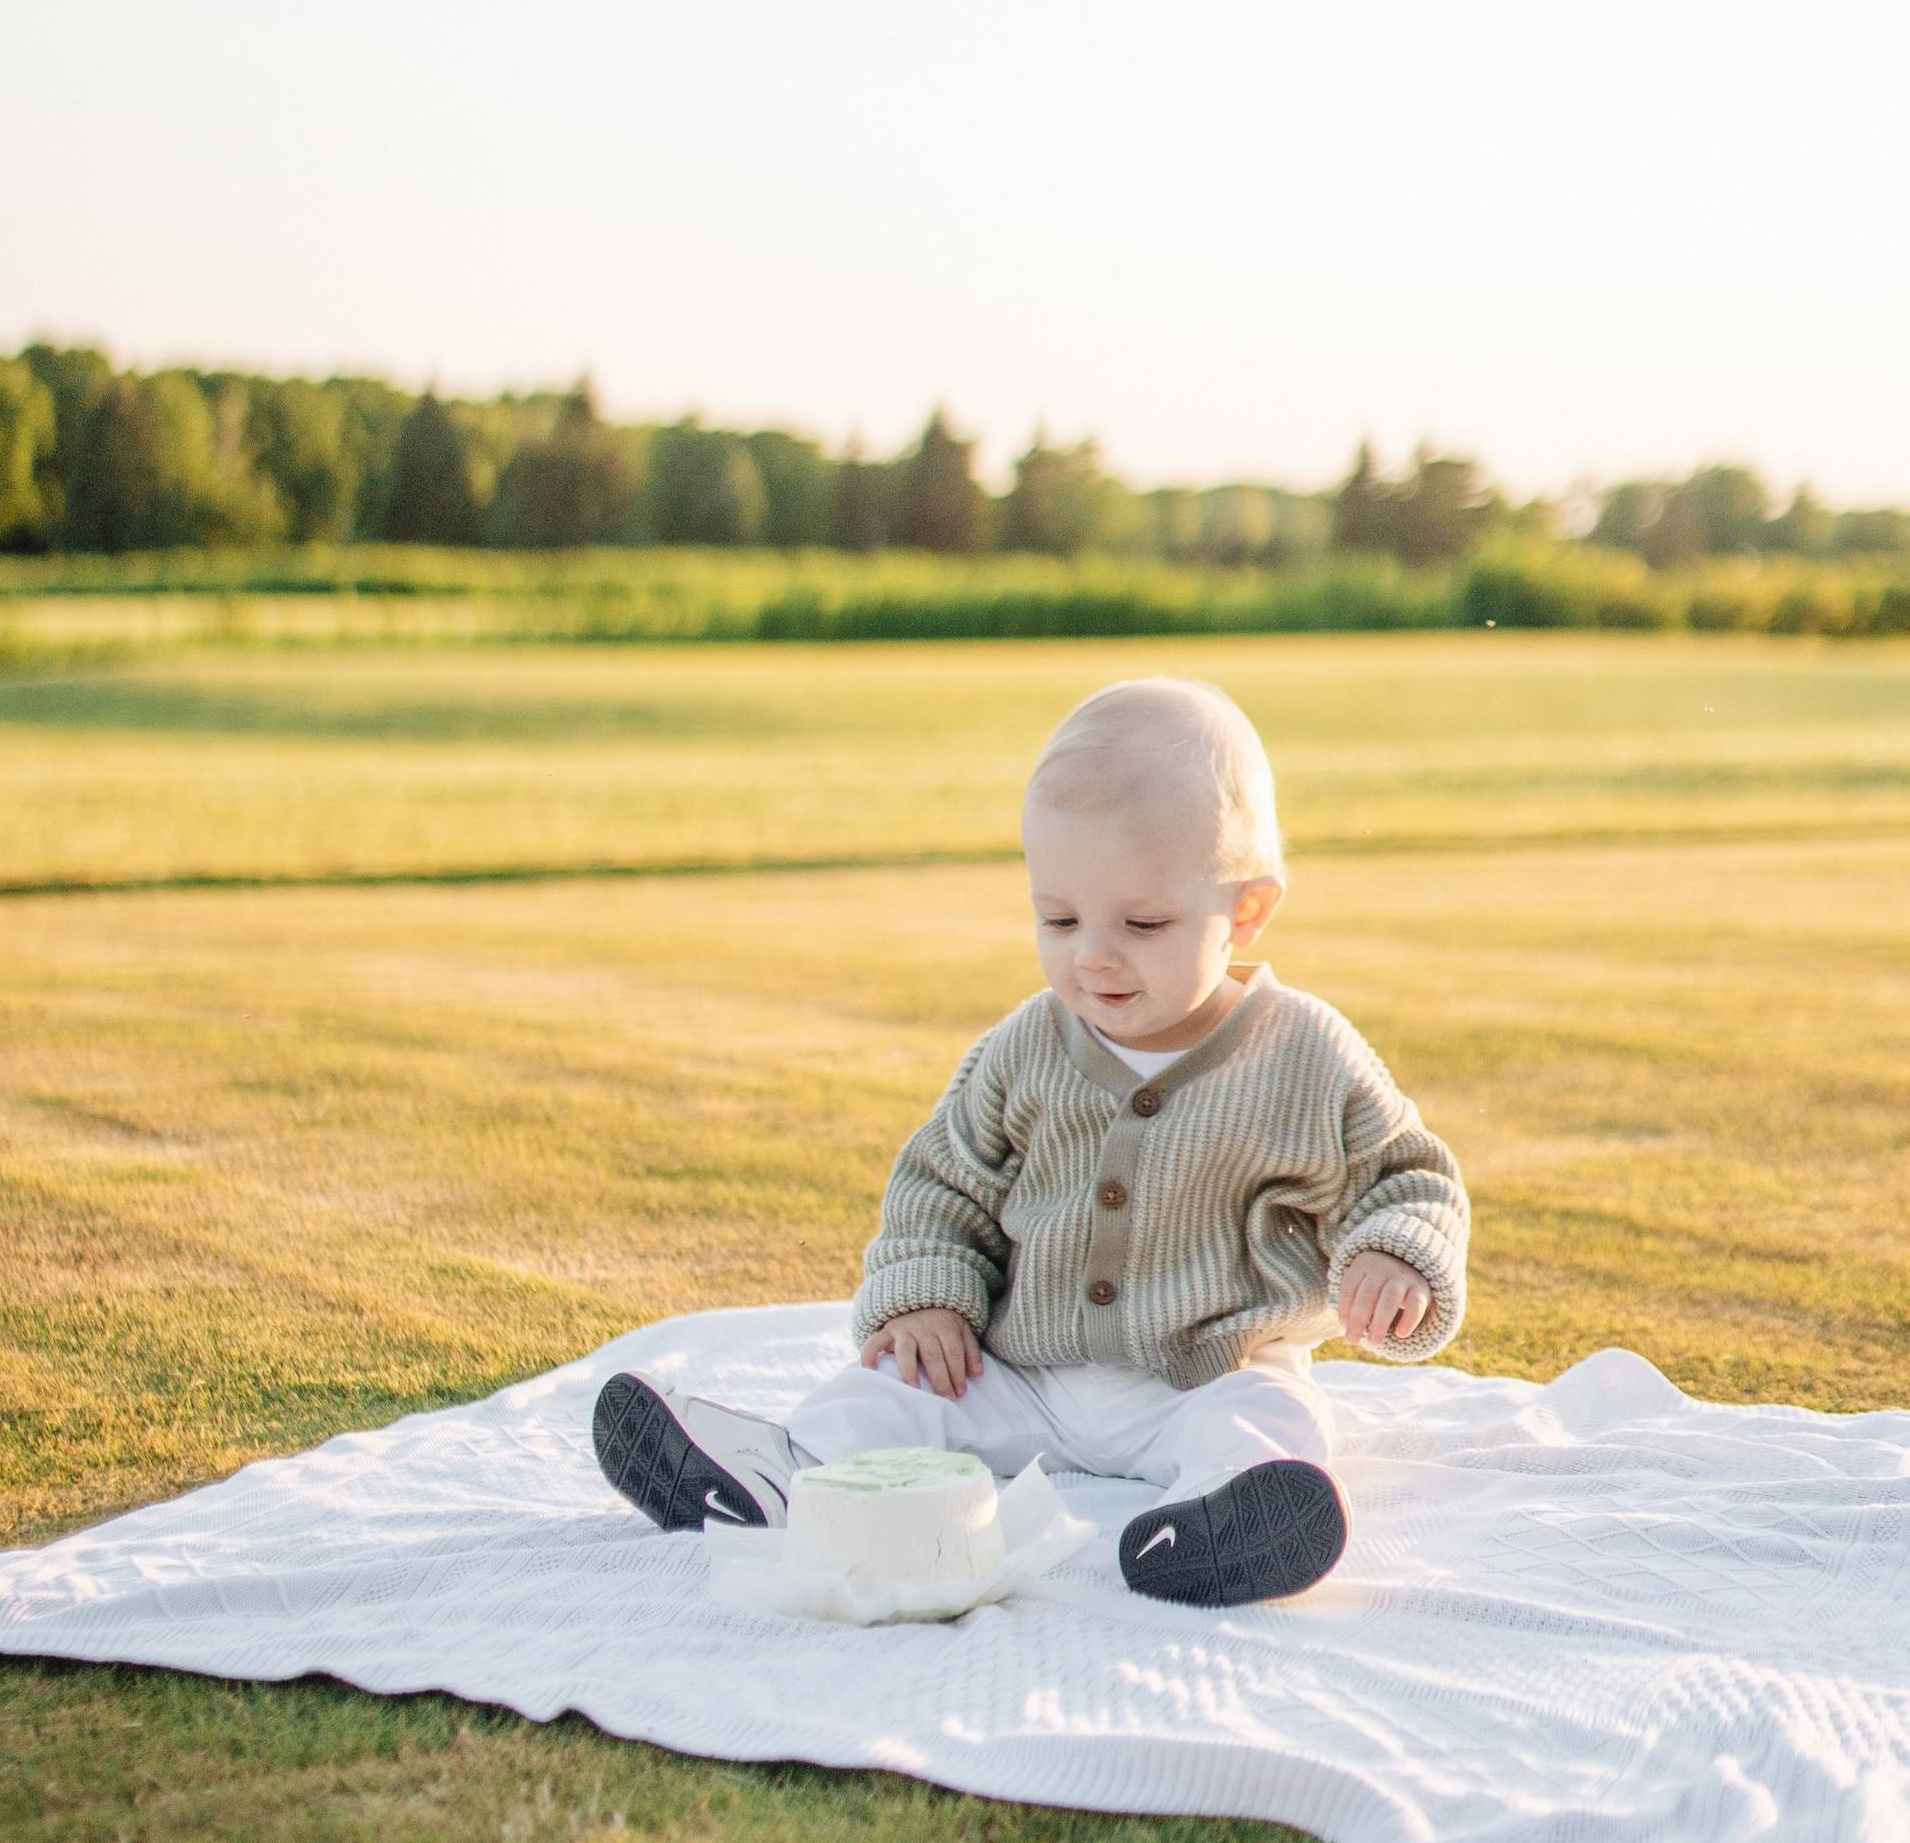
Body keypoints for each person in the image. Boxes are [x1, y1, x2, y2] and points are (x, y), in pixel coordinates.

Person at [592, 677, 1469, 1605]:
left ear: (1244, 911)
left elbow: (1406, 1175)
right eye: (1058, 919)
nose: (1092, 955)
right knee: (891, 1395)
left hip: (1204, 1374)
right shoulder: (1022, 1049)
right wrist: (925, 1300)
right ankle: (778, 1475)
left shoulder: (1302, 1054)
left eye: (1142, 924)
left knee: (1267, 1419)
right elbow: (940, 1187)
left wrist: (1393, 1255)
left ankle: (1222, 1524)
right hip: (1016, 1369)